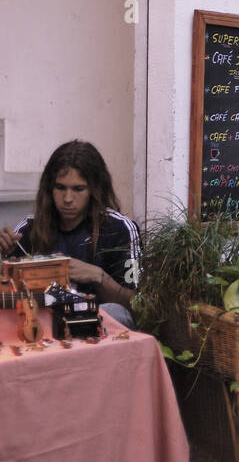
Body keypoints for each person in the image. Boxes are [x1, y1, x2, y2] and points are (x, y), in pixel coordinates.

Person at [0, 140, 139, 329]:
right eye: (60, 188)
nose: (67, 199)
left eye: (78, 189)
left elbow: (138, 305)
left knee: (115, 312)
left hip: (95, 327)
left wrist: (99, 277)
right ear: (50, 188)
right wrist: (3, 257)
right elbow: (9, 296)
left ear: (94, 189)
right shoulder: (29, 227)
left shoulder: (120, 228)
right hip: (42, 323)